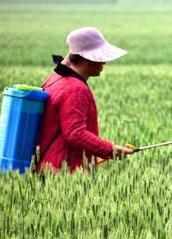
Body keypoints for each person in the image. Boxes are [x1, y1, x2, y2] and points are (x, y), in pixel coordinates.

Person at [36, 26, 134, 173]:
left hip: (47, 164)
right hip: (63, 169)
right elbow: (75, 133)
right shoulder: (76, 89)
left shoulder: (55, 78)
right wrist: (110, 149)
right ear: (86, 58)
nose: (104, 63)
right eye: (101, 57)